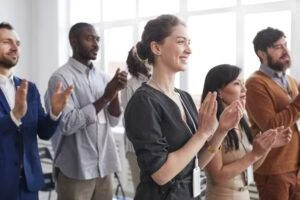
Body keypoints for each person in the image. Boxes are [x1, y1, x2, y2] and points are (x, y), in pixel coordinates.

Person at [124, 14, 244, 200]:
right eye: (181, 42)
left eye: (189, 42)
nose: (189, 49)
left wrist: (220, 131)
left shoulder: (184, 97)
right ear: (156, 47)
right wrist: (203, 133)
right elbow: (161, 175)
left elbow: (196, 162)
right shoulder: (143, 102)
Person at [44, 22, 128, 200]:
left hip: (104, 168)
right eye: (89, 39)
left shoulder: (104, 77)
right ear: (73, 41)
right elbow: (67, 125)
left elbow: (113, 121)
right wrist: (105, 96)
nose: (96, 44)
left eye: (98, 39)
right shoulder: (60, 78)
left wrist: (114, 93)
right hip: (76, 170)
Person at [0, 22, 73, 200]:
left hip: (28, 184)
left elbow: (44, 132)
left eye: (18, 43)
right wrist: (14, 115)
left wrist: (54, 113)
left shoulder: (29, 89)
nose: (15, 47)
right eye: (7, 42)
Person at [202, 64, 291, 200]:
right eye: (237, 84)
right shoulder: (211, 125)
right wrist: (254, 154)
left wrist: (266, 147)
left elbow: (248, 167)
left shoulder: (242, 121)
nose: (244, 88)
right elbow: (218, 177)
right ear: (219, 92)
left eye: (244, 83)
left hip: (244, 195)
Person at [245, 27, 300, 200]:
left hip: (296, 167)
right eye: (278, 47)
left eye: (285, 45)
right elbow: (271, 126)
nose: (285, 51)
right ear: (261, 53)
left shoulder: (291, 81)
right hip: (274, 171)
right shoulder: (255, 83)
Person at [121, 46, 151, 190]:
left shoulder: (156, 82)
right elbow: (130, 119)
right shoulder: (130, 85)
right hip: (136, 150)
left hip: (155, 149)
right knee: (141, 191)